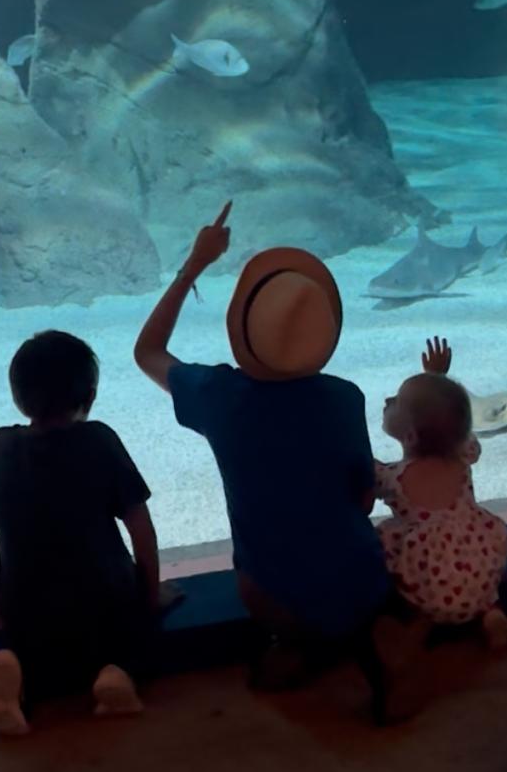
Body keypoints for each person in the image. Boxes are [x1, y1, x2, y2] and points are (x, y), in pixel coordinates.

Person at [133, 203, 429, 724]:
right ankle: (364, 636)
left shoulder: (219, 396)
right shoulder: (343, 397)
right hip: (360, 577)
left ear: (244, 328)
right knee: (353, 556)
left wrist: (193, 267)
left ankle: (294, 639)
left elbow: (149, 351)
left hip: (271, 591)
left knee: (268, 579)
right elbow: (362, 499)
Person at [0, 329, 160, 736]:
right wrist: (149, 594)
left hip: (24, 610)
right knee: (142, 629)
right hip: (104, 606)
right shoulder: (100, 441)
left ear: (18, 397)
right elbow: (141, 526)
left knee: (9, 641)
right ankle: (117, 674)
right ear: (89, 395)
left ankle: (4, 678)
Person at [377, 337, 507, 651]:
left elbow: (363, 483)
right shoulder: (463, 454)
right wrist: (436, 379)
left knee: (383, 540)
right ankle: (491, 613)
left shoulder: (394, 477)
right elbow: (454, 427)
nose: (387, 400)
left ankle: (418, 625)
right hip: (479, 573)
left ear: (409, 435)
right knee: (469, 554)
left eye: (395, 400)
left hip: (432, 586)